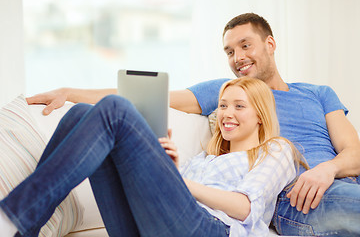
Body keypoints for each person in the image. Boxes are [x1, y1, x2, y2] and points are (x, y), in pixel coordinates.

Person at [27, 13, 360, 236]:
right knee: (87, 116)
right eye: (229, 51)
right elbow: (144, 95)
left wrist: (327, 169)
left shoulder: (317, 94)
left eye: (246, 45)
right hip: (297, 197)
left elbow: (354, 153)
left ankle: (21, 215)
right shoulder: (223, 92)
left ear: (269, 45)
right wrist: (71, 92)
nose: (238, 57)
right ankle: (23, 218)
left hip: (332, 179)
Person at [1, 77, 305, 236]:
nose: (227, 113)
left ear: (261, 116)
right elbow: (172, 199)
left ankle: (10, 217)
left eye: (239, 106)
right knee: (81, 113)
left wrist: (178, 183)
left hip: (212, 230)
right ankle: (23, 229)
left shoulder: (276, 150)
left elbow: (244, 208)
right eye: (223, 105)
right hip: (154, 227)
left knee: (116, 108)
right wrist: (170, 170)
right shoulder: (205, 158)